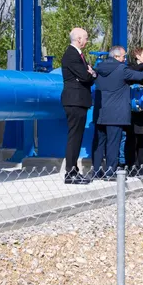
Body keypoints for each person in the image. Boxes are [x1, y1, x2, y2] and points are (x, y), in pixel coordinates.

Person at [92, 46, 143, 179]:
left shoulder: (99, 67)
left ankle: (96, 171)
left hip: (100, 112)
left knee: (99, 142)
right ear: (116, 57)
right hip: (116, 113)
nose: (125, 59)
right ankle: (110, 172)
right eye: (123, 56)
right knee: (113, 143)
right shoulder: (122, 69)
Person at [61, 27, 96, 184]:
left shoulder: (78, 55)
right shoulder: (71, 55)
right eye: (86, 38)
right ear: (78, 39)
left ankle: (73, 169)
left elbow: (87, 76)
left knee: (77, 137)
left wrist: (91, 73)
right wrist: (90, 73)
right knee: (74, 137)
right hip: (74, 100)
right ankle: (70, 172)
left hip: (79, 101)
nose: (87, 41)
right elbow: (84, 76)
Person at [125, 47, 143, 175]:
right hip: (131, 109)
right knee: (132, 138)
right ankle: (131, 165)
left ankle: (141, 165)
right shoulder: (130, 67)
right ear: (137, 56)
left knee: (142, 138)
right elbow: (135, 73)